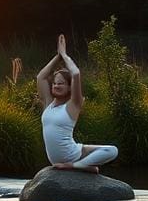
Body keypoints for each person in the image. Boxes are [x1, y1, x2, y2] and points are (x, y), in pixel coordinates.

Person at [35, 34, 118, 173]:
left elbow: (75, 73)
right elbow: (41, 77)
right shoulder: (48, 103)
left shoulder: (73, 105)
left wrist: (65, 55)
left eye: (61, 83)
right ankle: (86, 166)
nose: (56, 86)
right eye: (54, 83)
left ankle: (76, 166)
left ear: (69, 87)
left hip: (72, 155)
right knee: (104, 151)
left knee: (112, 150)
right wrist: (58, 56)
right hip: (62, 157)